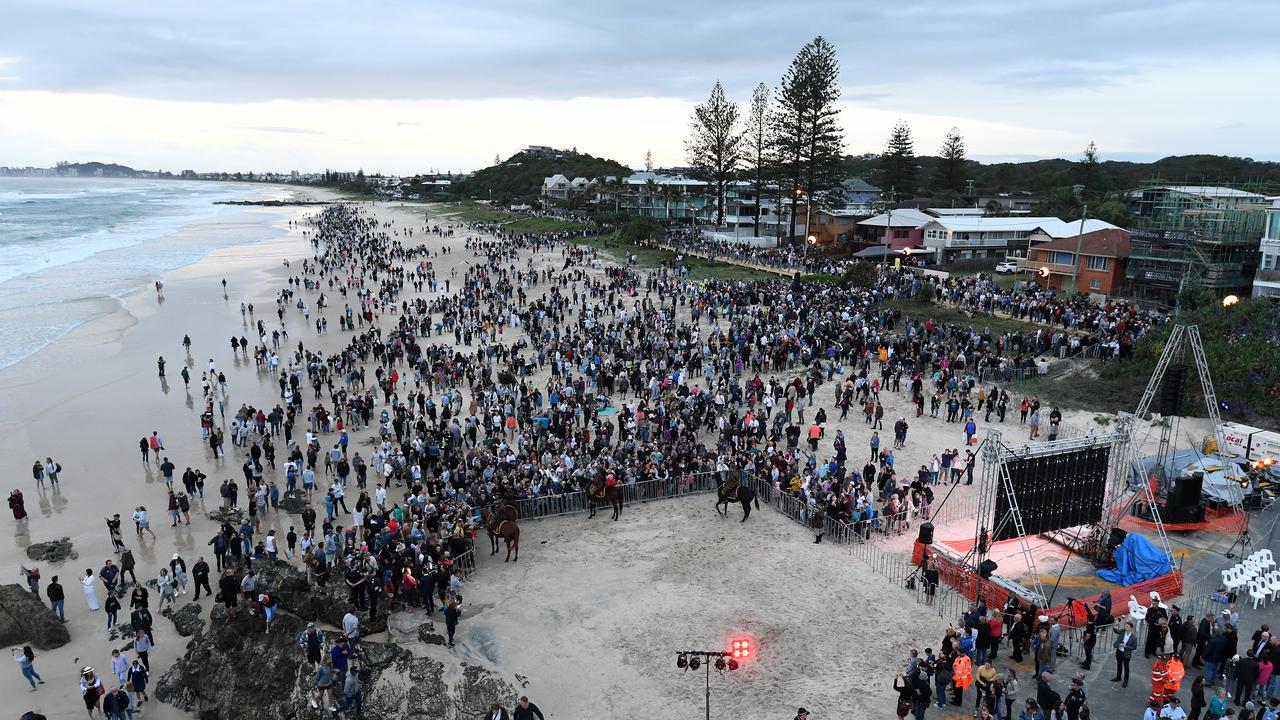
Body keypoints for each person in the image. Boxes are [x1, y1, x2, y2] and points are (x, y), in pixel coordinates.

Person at [1114, 621, 1137, 688]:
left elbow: (1134, 647)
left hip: (1126, 654)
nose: (1125, 627)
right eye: (1125, 626)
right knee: (1119, 665)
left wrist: (1125, 646)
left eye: (1127, 626)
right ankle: (1118, 677)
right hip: (1119, 651)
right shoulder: (1122, 632)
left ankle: (1125, 681)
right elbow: (1116, 631)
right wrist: (1115, 626)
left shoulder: (1134, 638)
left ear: (1131, 628)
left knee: (1126, 668)